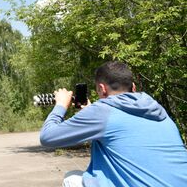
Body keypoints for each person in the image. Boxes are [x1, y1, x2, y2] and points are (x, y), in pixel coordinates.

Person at [40, 61, 187, 187]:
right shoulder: (160, 113)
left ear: (102, 89)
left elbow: (47, 137)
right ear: (134, 88)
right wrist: (92, 111)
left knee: (72, 178)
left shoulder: (103, 112)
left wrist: (60, 105)